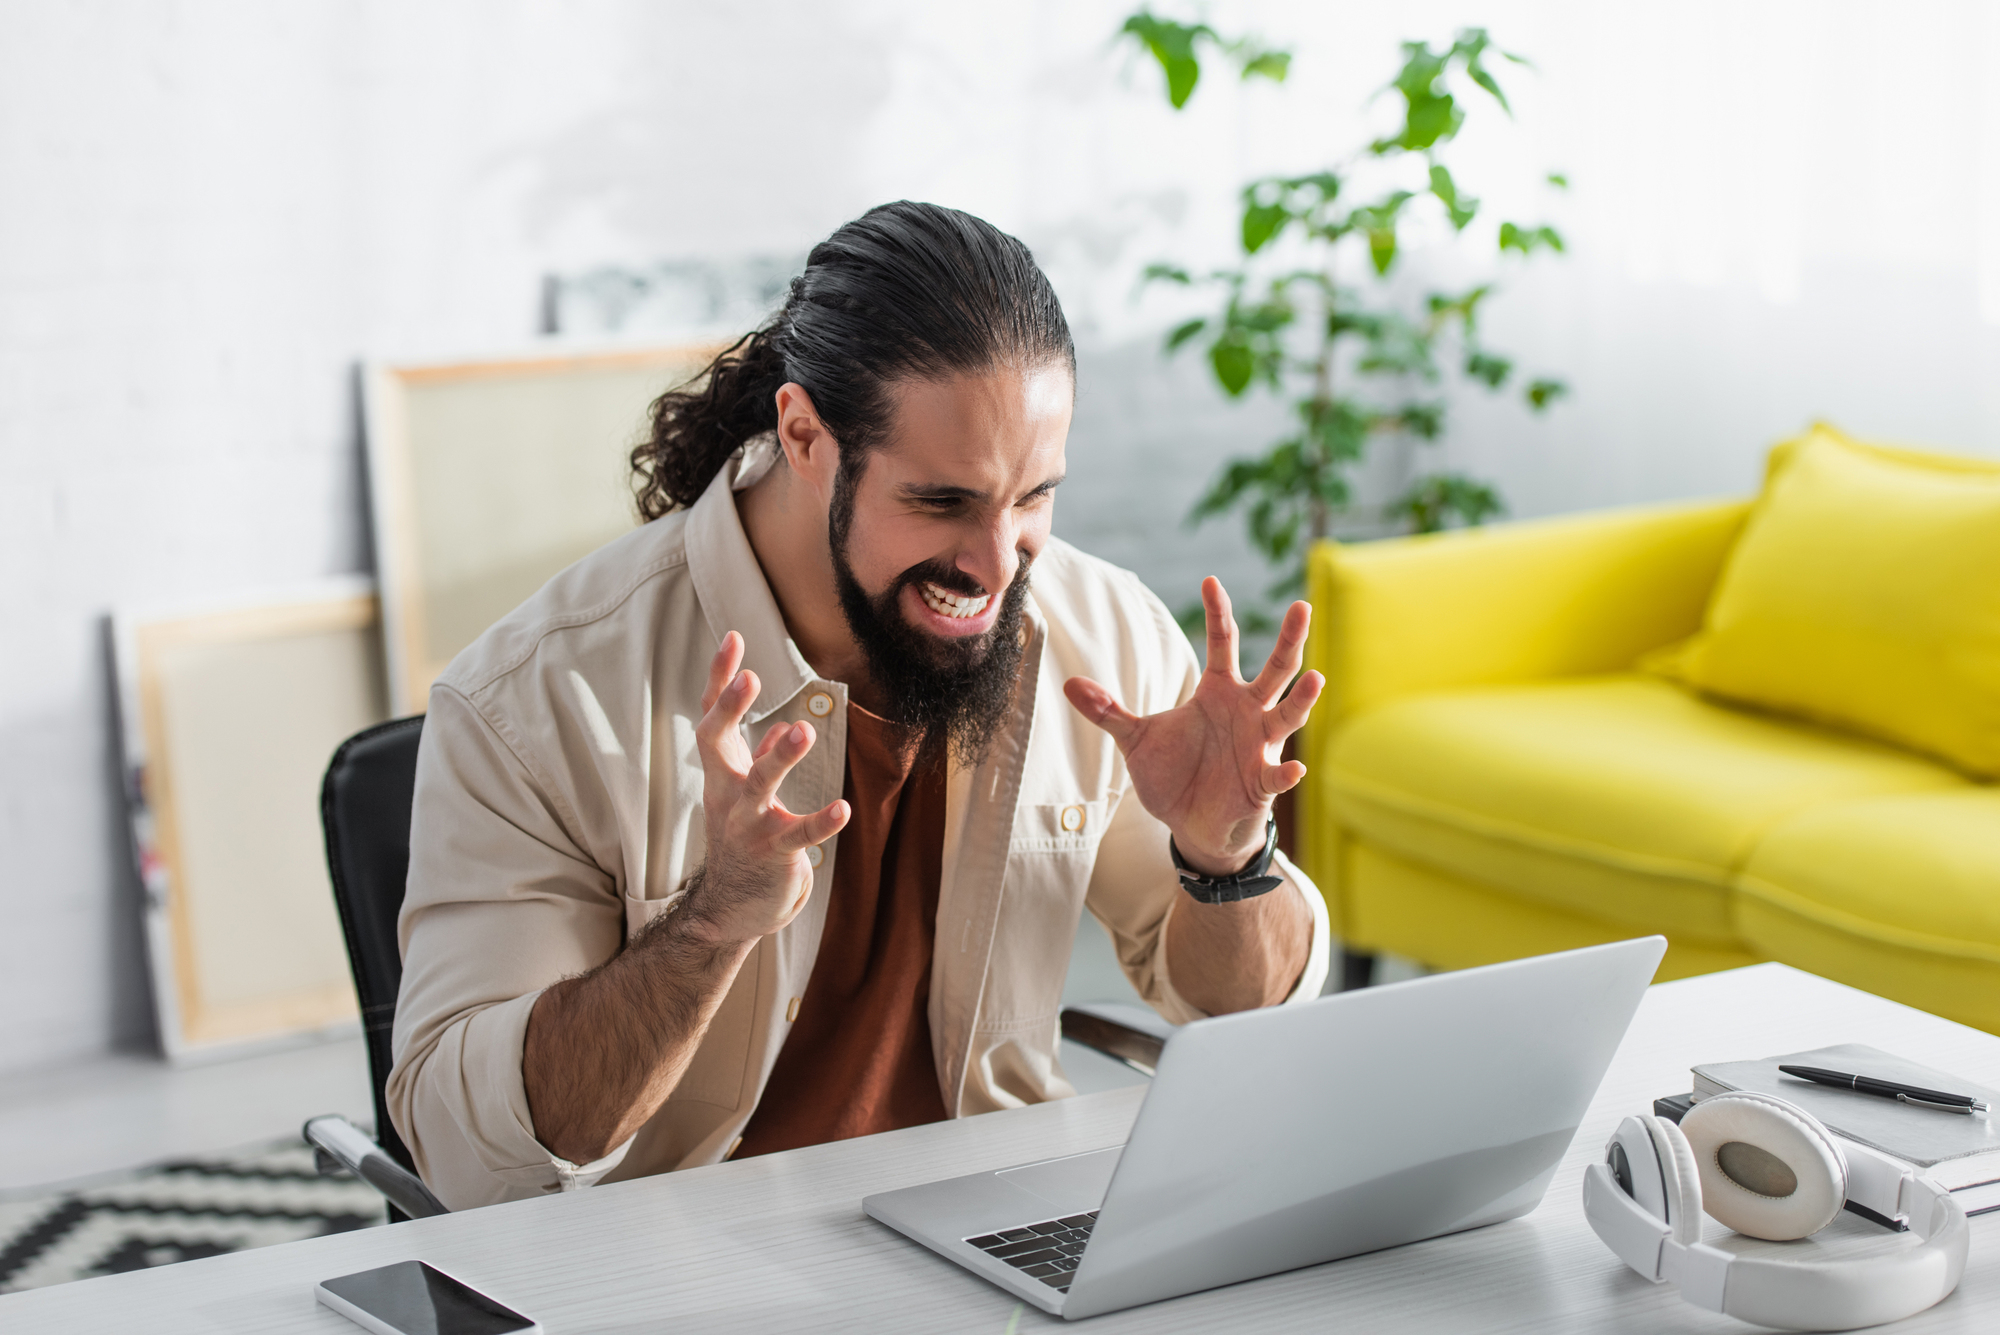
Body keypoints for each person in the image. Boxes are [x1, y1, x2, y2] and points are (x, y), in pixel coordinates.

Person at [388, 201, 1330, 1209]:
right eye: (941, 502)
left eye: (1033, 498)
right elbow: (466, 1158)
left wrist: (1227, 863)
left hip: (993, 1237)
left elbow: (1235, 1009)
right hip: (678, 1273)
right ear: (804, 435)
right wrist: (710, 924)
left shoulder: (1095, 631)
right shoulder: (539, 700)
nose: (994, 563)